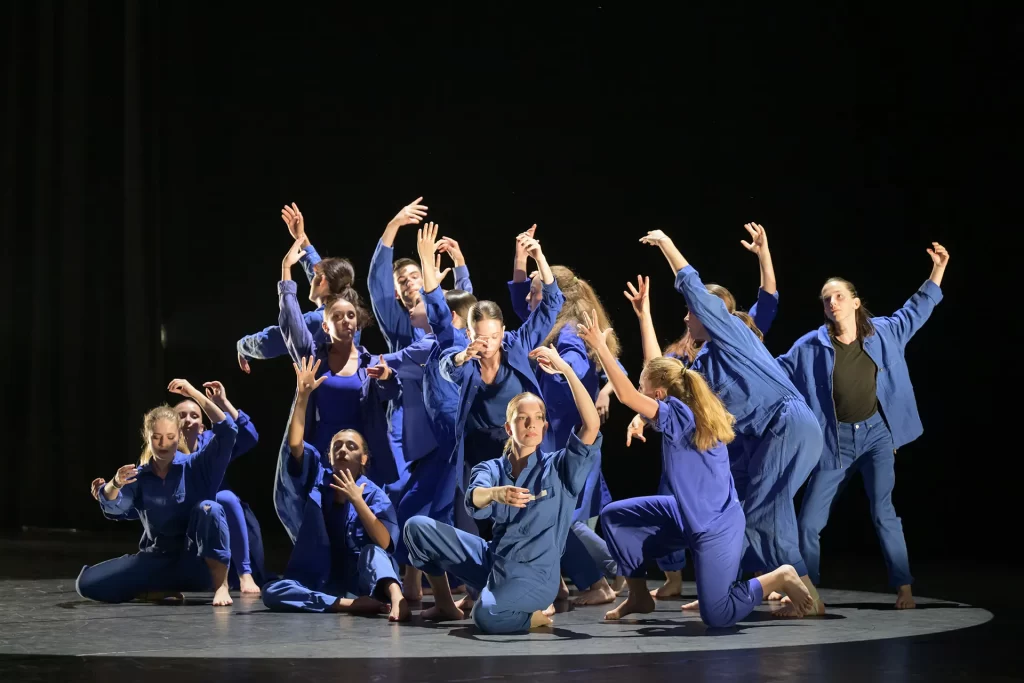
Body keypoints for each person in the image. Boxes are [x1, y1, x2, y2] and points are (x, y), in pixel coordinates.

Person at [575, 309, 812, 625]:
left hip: (716, 527)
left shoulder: (679, 414)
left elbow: (626, 394)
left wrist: (600, 348)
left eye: (648, 394)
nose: (645, 401)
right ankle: (638, 596)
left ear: (659, 395)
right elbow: (650, 373)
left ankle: (778, 577)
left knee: (718, 614)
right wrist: (642, 317)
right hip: (687, 513)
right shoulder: (684, 407)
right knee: (615, 517)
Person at [640, 229, 824, 617]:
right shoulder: (701, 367)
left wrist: (668, 245)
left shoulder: (733, 333)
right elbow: (665, 385)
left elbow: (693, 288)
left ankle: (779, 595)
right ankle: (758, 594)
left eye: (693, 312)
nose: (687, 317)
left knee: (758, 513)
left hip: (786, 424)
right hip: (767, 438)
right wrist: (644, 318)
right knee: (749, 512)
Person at [777, 242, 949, 610]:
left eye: (839, 295)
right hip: (833, 443)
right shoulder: (810, 346)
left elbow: (917, 310)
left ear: (856, 302)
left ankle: (904, 586)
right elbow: (773, 371)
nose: (832, 303)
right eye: (826, 299)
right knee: (808, 522)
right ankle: (808, 591)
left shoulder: (884, 332)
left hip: (876, 437)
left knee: (882, 511)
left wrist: (937, 271)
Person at [402, 344, 603, 633]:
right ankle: (445, 601)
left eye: (537, 419)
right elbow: (474, 498)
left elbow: (591, 424)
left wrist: (565, 369)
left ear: (544, 428)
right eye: (523, 418)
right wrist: (498, 493)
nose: (531, 425)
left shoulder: (560, 468)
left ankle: (532, 614)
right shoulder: (492, 468)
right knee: (416, 527)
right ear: (509, 428)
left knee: (486, 615)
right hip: (494, 560)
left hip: (535, 576)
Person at [649, 223, 779, 599]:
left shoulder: (740, 337)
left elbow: (768, 299)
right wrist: (642, 416)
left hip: (732, 442)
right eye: (693, 309)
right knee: (670, 494)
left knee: (738, 508)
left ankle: (749, 576)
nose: (693, 315)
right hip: (692, 443)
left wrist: (764, 255)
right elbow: (655, 380)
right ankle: (674, 576)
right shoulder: (684, 353)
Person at [508, 255, 621, 605]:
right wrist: (519, 258)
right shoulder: (549, 324)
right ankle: (570, 582)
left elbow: (576, 360)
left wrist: (559, 368)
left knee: (564, 518)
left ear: (554, 295)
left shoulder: (568, 331)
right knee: (553, 516)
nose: (527, 300)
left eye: (534, 294)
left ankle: (613, 572)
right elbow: (518, 299)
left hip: (574, 442)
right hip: (558, 442)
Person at [262, 357, 408, 621]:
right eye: (337, 446)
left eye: (351, 446)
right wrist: (302, 395)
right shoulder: (317, 478)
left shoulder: (373, 493)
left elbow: (385, 542)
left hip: (363, 578)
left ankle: (398, 599)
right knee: (273, 591)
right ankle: (345, 605)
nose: (342, 449)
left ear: (364, 458)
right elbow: (295, 446)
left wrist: (357, 500)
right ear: (329, 456)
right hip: (323, 579)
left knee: (373, 552)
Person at [275, 236, 400, 541]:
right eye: (337, 317)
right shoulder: (314, 358)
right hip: (321, 454)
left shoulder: (370, 363)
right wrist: (286, 272)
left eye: (350, 316)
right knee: (321, 520)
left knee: (361, 523)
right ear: (326, 326)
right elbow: (291, 324)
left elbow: (391, 395)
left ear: (357, 323)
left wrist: (386, 378)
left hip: (360, 455)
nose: (345, 320)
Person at [439, 231, 564, 533]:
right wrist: (462, 357)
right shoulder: (464, 355)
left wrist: (539, 258)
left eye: (494, 336)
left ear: (503, 331)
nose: (489, 343)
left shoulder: (517, 344)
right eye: (481, 337)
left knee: (530, 512)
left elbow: (552, 304)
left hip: (517, 442)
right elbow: (446, 369)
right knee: (485, 518)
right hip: (478, 447)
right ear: (469, 333)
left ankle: (554, 578)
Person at [77, 380, 238, 606]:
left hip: (197, 564)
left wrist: (192, 393)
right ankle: (156, 588)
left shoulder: (196, 466)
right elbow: (116, 505)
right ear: (147, 435)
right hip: (158, 561)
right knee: (87, 583)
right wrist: (114, 483)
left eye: (170, 437)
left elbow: (227, 430)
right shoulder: (140, 476)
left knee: (210, 509)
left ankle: (221, 586)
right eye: (156, 437)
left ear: (179, 436)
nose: (163, 444)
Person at [367, 198, 473, 491]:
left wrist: (460, 264)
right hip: (409, 417)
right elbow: (377, 283)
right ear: (398, 294)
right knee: (402, 491)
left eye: (415, 275)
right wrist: (393, 225)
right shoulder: (401, 323)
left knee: (451, 493)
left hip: (448, 412)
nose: (410, 282)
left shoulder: (443, 317)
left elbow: (464, 310)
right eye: (402, 281)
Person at [236, 202, 361, 372]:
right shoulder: (348, 314)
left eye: (316, 277)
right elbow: (317, 269)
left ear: (322, 281)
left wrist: (243, 346)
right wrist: (301, 237)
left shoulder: (321, 320)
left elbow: (272, 340)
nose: (312, 278)